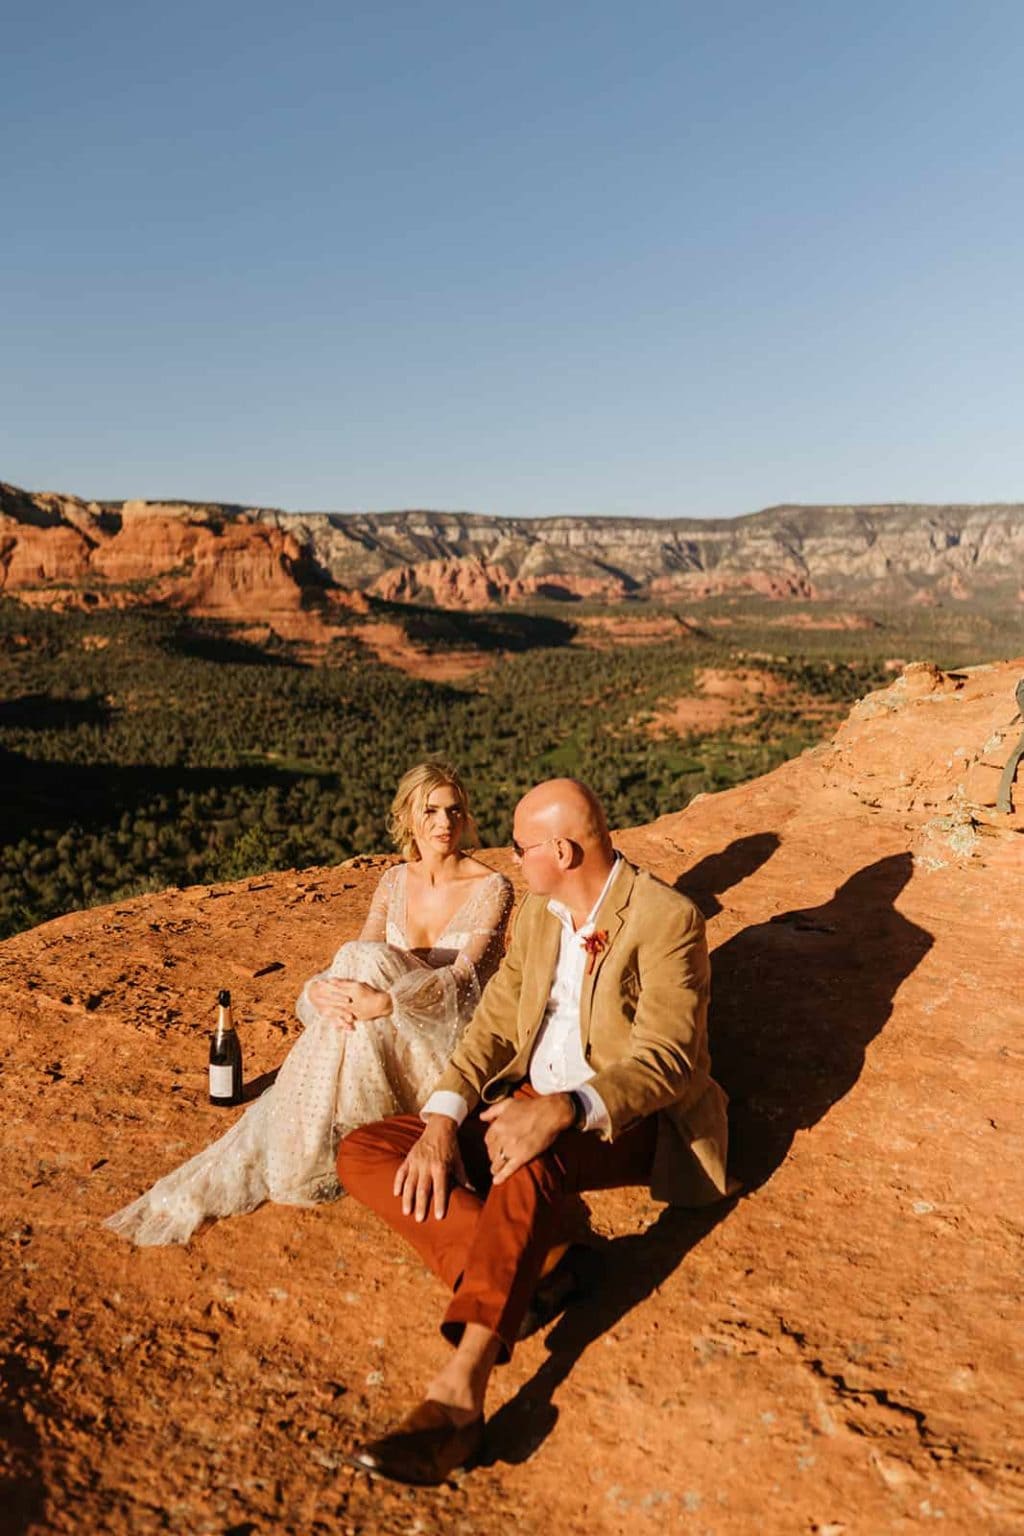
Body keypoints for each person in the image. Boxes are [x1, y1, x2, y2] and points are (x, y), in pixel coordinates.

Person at [338, 777, 730, 1486]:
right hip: (524, 1091)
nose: (511, 858)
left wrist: (564, 1109)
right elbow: (492, 1025)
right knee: (368, 1150)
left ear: (561, 849)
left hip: (624, 1115)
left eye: (520, 848)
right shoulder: (541, 916)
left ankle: (458, 1397)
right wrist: (439, 1121)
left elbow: (668, 1059)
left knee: (528, 1162)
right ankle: (545, 1265)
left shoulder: (667, 917)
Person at [104, 762, 513, 1246]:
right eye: (430, 810)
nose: (444, 822)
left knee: (363, 961)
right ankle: (328, 1139)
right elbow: (361, 956)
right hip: (377, 1026)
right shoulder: (392, 881)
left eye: (454, 810)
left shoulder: (492, 888)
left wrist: (387, 1003)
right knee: (354, 957)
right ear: (407, 817)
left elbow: (464, 983)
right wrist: (319, 990)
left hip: (443, 1036)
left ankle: (314, 1147)